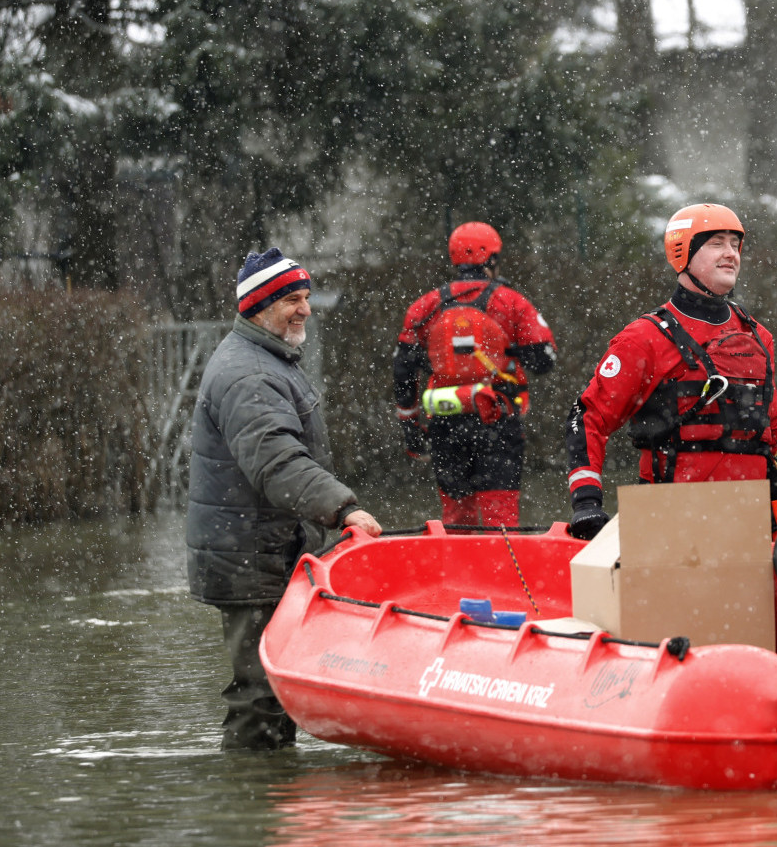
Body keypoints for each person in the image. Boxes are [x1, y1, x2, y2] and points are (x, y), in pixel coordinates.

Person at [186, 247, 382, 750]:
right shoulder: (250, 375)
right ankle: (256, 804)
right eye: (293, 299)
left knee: (273, 687)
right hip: (252, 559)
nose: (306, 309)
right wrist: (345, 509)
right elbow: (278, 464)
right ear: (259, 305)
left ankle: (265, 795)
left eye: (306, 297)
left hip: (266, 552)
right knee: (261, 693)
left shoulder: (267, 358)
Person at [565, 203, 777, 541]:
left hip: (748, 522)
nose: (730, 254)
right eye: (716, 243)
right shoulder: (643, 339)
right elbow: (588, 418)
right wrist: (586, 502)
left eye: (735, 245)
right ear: (684, 253)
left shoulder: (759, 337)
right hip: (671, 521)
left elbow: (775, 431)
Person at [393, 222, 557, 527]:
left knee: (456, 517)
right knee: (501, 516)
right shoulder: (511, 302)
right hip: (497, 421)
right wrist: (512, 351)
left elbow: (403, 369)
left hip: (445, 423)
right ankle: (502, 571)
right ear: (492, 258)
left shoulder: (425, 305)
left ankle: (459, 571)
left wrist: (411, 426)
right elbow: (544, 359)